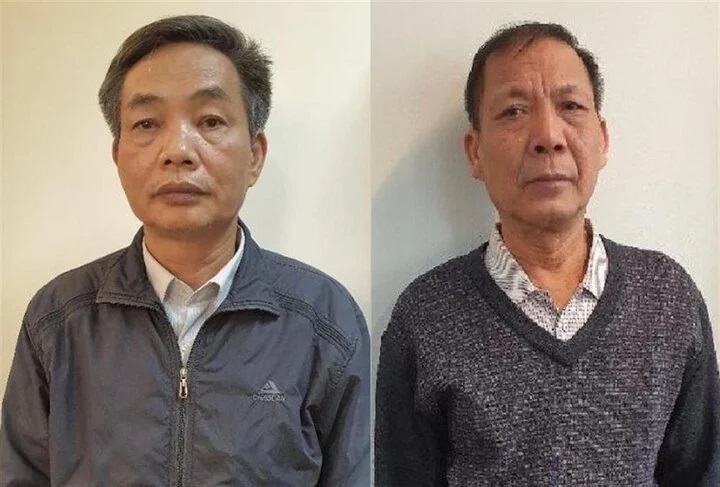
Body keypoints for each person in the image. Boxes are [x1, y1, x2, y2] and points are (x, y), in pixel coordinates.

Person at [0, 14, 369, 486]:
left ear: (255, 155)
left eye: (210, 121)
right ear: (118, 156)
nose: (177, 150)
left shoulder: (324, 321)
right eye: (147, 123)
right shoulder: (58, 320)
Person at [375, 21, 719, 486]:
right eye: (514, 111)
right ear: (474, 152)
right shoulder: (426, 315)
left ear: (602, 138)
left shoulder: (668, 297)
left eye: (570, 106)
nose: (548, 136)